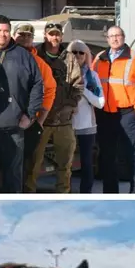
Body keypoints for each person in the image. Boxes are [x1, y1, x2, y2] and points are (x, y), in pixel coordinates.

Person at [93, 25, 135, 193]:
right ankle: (110, 193)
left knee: (132, 155)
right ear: (107, 39)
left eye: (118, 35)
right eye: (111, 36)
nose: (115, 39)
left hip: (127, 113)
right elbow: (92, 83)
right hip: (106, 114)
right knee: (107, 156)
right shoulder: (99, 58)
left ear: (123, 37)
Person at [0, 15, 43, 192]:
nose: (2, 35)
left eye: (6, 31)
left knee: (13, 176)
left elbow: (38, 85)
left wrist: (30, 115)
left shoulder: (23, 56)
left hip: (14, 127)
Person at [27, 22, 84, 193]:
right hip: (41, 120)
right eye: (51, 34)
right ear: (45, 35)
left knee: (65, 164)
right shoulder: (36, 55)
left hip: (63, 120)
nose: (54, 37)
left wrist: (71, 105)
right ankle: (28, 194)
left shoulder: (69, 57)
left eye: (57, 34)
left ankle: (64, 194)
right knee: (33, 163)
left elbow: (78, 85)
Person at [14, 23, 56, 191]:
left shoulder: (40, 64)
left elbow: (50, 90)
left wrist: (39, 121)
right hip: (6, 122)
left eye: (28, 36)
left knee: (25, 165)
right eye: (21, 35)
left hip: (30, 124)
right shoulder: (3, 57)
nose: (24, 39)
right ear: (14, 36)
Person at [68, 40, 105, 193]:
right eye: (74, 52)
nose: (77, 55)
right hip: (66, 125)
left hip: (86, 126)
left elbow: (100, 102)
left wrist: (83, 90)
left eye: (81, 52)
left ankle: (86, 193)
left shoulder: (92, 76)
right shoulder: (63, 73)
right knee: (65, 164)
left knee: (86, 162)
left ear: (86, 55)